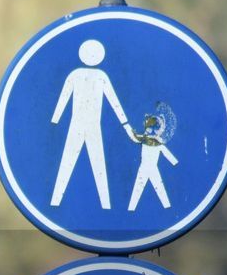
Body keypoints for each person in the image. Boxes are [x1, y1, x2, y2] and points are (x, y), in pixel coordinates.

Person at [49, 39, 136, 210]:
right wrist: (55, 119)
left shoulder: (82, 75)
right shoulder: (92, 76)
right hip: (80, 124)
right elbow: (65, 97)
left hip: (90, 126)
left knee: (96, 163)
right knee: (74, 162)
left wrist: (56, 119)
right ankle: (57, 201)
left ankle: (104, 205)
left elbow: (113, 100)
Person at [128, 112, 178, 210]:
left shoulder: (147, 140)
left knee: (145, 187)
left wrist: (129, 129)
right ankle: (131, 209)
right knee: (154, 187)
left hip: (148, 168)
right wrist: (174, 162)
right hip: (147, 167)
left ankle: (131, 209)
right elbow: (134, 137)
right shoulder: (154, 141)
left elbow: (134, 137)